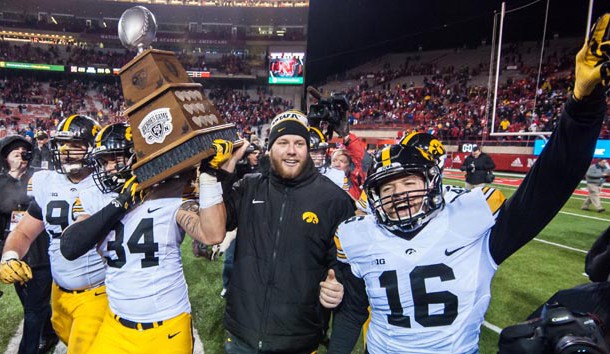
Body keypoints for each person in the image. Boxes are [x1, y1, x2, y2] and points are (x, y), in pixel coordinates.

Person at [327, 15, 610, 353]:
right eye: (386, 189)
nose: (398, 194)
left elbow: (547, 187)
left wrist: (583, 110)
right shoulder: (360, 237)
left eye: (407, 183)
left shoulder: (469, 221)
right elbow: (354, 310)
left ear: (432, 183)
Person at [59, 127, 240, 354]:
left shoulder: (170, 193)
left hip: (166, 327)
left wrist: (209, 175)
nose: (108, 168)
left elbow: (212, 234)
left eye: (114, 159)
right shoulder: (96, 199)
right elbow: (70, 246)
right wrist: (123, 202)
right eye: (103, 162)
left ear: (137, 157)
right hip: (115, 324)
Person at [200, 109, 355, 353]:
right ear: (270, 148)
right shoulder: (249, 187)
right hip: (243, 337)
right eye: (282, 142)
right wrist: (225, 168)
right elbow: (213, 228)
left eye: (299, 143)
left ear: (307, 148)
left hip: (298, 340)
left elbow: (348, 266)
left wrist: (339, 285)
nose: (291, 150)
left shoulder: (334, 200)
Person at [0, 115, 107, 354]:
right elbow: (24, 232)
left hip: (97, 293)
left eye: (76, 145)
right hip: (59, 293)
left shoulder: (106, 184)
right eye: (62, 144)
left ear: (93, 148)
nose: (67, 151)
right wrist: (10, 255)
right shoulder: (48, 182)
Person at [0, 135, 58, 354]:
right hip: (14, 252)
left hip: (40, 251)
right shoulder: (2, 183)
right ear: (6, 158)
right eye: (17, 154)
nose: (22, 157)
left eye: (25, 153)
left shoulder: (38, 178)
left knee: (33, 310)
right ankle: (51, 333)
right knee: (31, 304)